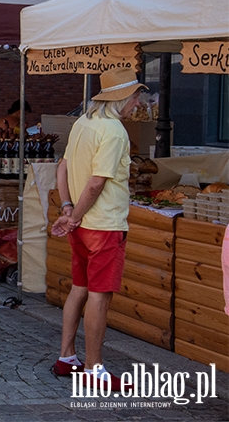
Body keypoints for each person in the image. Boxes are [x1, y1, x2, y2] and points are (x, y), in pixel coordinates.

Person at [50, 68, 143, 391]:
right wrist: (74, 214)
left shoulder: (83, 123)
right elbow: (97, 183)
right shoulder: (114, 131)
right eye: (134, 98)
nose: (137, 104)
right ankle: (94, 368)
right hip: (103, 225)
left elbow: (61, 167)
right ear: (121, 99)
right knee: (99, 297)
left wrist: (67, 209)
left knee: (80, 288)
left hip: (82, 223)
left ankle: (67, 357)